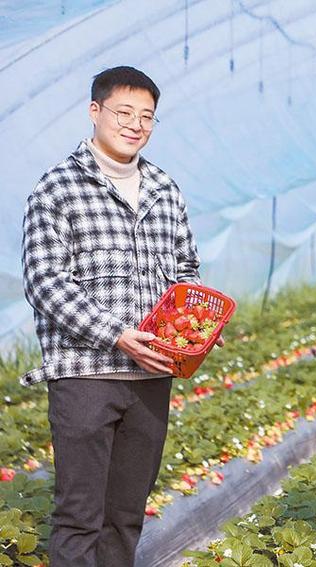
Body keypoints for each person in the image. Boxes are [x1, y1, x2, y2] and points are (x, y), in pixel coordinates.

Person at [21, 66, 209, 566]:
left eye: (146, 116)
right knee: (80, 513)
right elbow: (45, 281)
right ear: (95, 112)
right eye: (123, 113)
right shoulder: (57, 188)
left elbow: (186, 268)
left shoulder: (164, 189)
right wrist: (117, 334)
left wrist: (194, 327)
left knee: (126, 512)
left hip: (152, 374)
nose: (134, 124)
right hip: (86, 376)